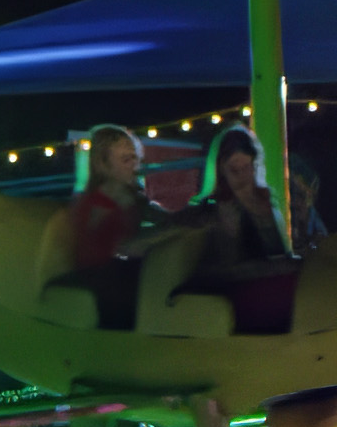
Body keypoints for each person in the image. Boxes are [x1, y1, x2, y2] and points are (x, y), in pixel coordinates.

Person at [176, 125, 298, 333]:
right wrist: (230, 233)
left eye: (247, 168)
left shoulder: (265, 202)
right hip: (233, 293)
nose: (242, 177)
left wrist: (265, 220)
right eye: (235, 170)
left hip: (266, 284)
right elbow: (223, 271)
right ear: (221, 169)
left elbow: (277, 252)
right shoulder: (211, 210)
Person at [59, 125, 167, 328]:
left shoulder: (133, 198)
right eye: (126, 161)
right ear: (103, 165)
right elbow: (94, 248)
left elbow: (162, 220)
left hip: (120, 272)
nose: (135, 167)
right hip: (99, 278)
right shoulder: (91, 204)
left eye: (135, 159)